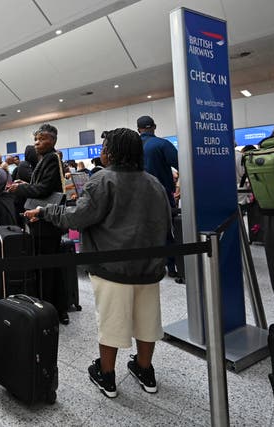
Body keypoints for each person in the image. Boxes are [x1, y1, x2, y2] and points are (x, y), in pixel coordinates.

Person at [24, 128, 171, 398]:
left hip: (112, 266)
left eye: (104, 147)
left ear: (112, 152)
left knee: (111, 323)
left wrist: (45, 211)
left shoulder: (102, 180)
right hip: (149, 267)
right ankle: (144, 369)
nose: (101, 151)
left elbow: (78, 217)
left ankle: (107, 375)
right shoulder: (154, 183)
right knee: (148, 321)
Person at [8, 124, 68, 325]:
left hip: (47, 222)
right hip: (44, 220)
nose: (36, 143)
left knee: (47, 267)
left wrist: (20, 190)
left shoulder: (51, 158)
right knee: (48, 266)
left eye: (41, 139)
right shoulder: (47, 159)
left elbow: (42, 190)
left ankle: (51, 309)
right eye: (35, 139)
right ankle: (55, 307)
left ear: (52, 141)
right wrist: (26, 186)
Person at [137, 115, 180, 278]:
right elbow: (181, 164)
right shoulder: (163, 144)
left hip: (137, 196)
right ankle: (172, 266)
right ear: (154, 127)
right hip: (161, 195)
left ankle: (146, 266)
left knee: (141, 231)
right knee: (167, 231)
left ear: (138, 129)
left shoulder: (131, 148)